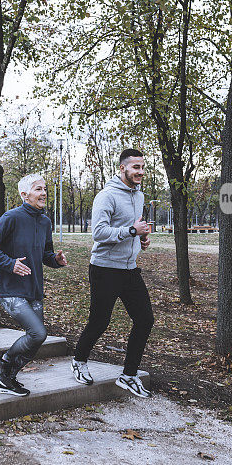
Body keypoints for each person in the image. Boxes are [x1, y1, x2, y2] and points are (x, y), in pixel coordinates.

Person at [71, 148, 154, 398]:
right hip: (105, 269)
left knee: (145, 320)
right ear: (122, 169)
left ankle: (128, 375)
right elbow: (98, 233)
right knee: (100, 321)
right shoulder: (106, 196)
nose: (140, 172)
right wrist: (131, 231)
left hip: (129, 270)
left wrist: (141, 238)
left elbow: (135, 228)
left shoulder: (139, 196)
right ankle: (79, 360)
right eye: (135, 167)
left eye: (142, 167)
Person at [0, 173, 68, 396]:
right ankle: (4, 362)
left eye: (44, 188)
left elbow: (46, 254)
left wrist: (55, 261)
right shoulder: (12, 217)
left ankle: (7, 378)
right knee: (37, 333)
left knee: (38, 339)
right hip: (11, 290)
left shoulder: (45, 221)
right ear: (24, 194)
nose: (44, 193)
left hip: (34, 288)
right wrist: (10, 264)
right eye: (38, 189)